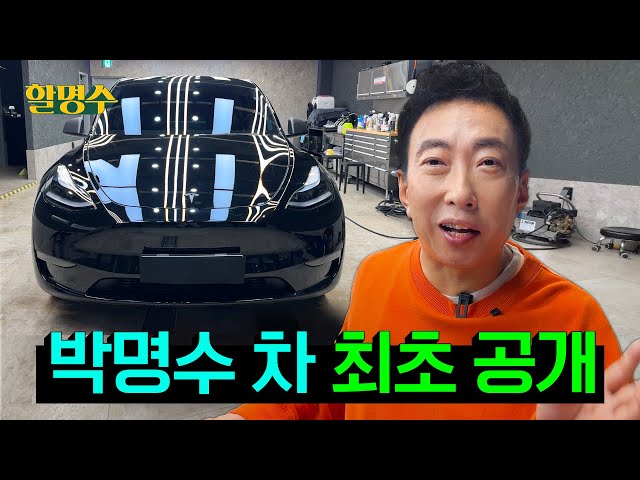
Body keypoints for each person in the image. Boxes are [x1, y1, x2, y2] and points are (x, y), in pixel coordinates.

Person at [211, 61, 640, 420]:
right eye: (435, 161)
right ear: (404, 189)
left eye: (488, 162)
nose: (461, 192)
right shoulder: (376, 275)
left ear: (521, 192)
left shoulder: (575, 325)